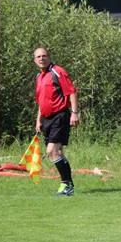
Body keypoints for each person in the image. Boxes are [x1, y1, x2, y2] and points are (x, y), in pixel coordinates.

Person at [33, 47, 79, 196]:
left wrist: (74, 113)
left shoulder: (57, 71)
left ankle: (66, 184)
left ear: (49, 57)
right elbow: (41, 101)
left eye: (44, 56)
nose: (41, 59)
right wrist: (39, 120)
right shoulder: (39, 77)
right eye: (38, 57)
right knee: (58, 153)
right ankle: (68, 186)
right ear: (35, 60)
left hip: (60, 116)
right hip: (47, 119)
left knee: (51, 151)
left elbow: (72, 92)